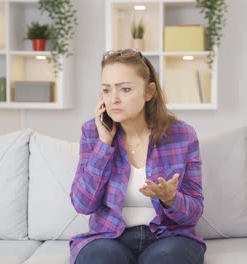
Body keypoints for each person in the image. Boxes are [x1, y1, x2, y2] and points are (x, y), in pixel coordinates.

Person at [69, 48, 205, 264]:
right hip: (109, 238)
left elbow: (194, 212)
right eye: (106, 90)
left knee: (168, 259)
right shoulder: (92, 133)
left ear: (149, 92)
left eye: (125, 89)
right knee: (99, 259)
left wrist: (171, 199)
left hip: (169, 238)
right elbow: (83, 205)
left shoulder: (182, 135)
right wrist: (104, 145)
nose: (113, 99)